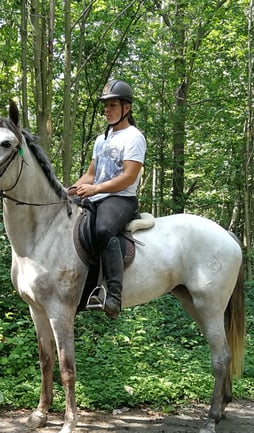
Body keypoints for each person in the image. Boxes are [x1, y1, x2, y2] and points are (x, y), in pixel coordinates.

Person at [68, 79, 146, 319]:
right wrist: (70, 189)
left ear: (126, 108)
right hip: (98, 195)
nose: (107, 111)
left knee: (102, 230)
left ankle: (113, 295)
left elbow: (128, 176)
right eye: (105, 106)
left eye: (112, 105)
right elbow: (91, 175)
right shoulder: (102, 139)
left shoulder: (134, 137)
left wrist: (96, 189)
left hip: (121, 199)